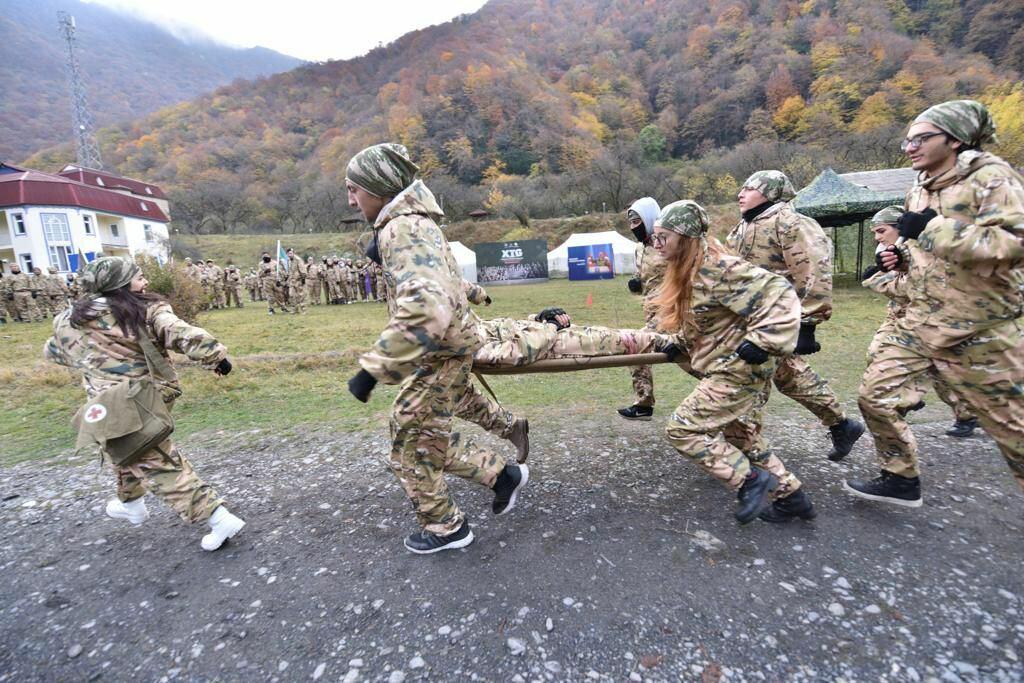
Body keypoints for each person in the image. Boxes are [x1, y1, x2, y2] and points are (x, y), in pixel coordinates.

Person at [344, 142, 528, 554]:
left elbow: (427, 304)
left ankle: (447, 527)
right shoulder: (413, 224)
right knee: (420, 436)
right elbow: (446, 284)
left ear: (378, 187)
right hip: (444, 351)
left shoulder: (403, 229)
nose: (351, 200)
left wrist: (373, 369)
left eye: (355, 189)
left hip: (441, 354)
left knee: (410, 442)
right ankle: (501, 477)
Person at [847, 99, 1024, 505]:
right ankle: (900, 477)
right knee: (874, 396)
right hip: (920, 319)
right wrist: (899, 259)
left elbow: (1016, 244)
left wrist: (933, 229)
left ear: (956, 139)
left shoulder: (992, 178)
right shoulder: (919, 188)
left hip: (979, 328)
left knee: (1014, 433)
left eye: (921, 139)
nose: (910, 147)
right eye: (908, 141)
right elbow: (924, 250)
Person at [43, 257, 245, 550]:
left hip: (106, 404)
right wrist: (216, 356)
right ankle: (133, 504)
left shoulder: (68, 320)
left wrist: (97, 359)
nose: (145, 281)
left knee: (150, 458)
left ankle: (217, 518)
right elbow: (180, 332)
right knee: (133, 452)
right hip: (144, 398)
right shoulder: (143, 310)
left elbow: (55, 352)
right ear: (119, 284)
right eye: (138, 278)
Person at [653, 200, 814, 524]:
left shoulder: (719, 267)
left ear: (685, 238)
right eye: (654, 237)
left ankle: (748, 480)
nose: (656, 244)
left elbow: (781, 292)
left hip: (738, 369)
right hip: (726, 365)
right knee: (741, 436)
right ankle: (791, 497)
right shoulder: (691, 269)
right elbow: (705, 318)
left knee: (683, 428)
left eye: (663, 237)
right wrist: (678, 342)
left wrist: (764, 340)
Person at [726, 170, 865, 461]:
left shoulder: (791, 223)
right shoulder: (742, 228)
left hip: (777, 320)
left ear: (771, 192)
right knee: (789, 375)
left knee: (749, 380)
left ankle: (746, 453)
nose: (741, 194)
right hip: (749, 319)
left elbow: (813, 271)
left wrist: (807, 323)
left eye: (749, 188)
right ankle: (842, 425)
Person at [860, 206, 978, 437]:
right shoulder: (888, 249)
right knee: (876, 353)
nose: (878, 237)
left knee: (940, 370)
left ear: (900, 228)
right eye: (875, 233)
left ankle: (967, 413)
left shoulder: (924, 249)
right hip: (897, 315)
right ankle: (906, 398)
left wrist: (877, 279)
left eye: (882, 231)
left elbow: (913, 288)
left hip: (927, 317)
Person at [619, 197, 664, 421]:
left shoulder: (668, 244)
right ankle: (644, 404)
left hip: (673, 314)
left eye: (637, 221)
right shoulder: (640, 249)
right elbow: (644, 277)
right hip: (651, 314)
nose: (632, 227)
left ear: (649, 219)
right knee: (636, 349)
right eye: (630, 222)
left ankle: (727, 389)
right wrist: (636, 282)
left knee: (635, 346)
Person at [285, 249, 307, 314]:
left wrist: (303, 278)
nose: (289, 255)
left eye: (291, 253)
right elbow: (290, 270)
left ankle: (303, 310)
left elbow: (302, 269)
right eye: (288, 253)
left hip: (298, 280)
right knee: (291, 295)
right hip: (291, 280)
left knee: (301, 295)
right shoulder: (288, 260)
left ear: (293, 253)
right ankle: (294, 309)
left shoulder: (298, 260)